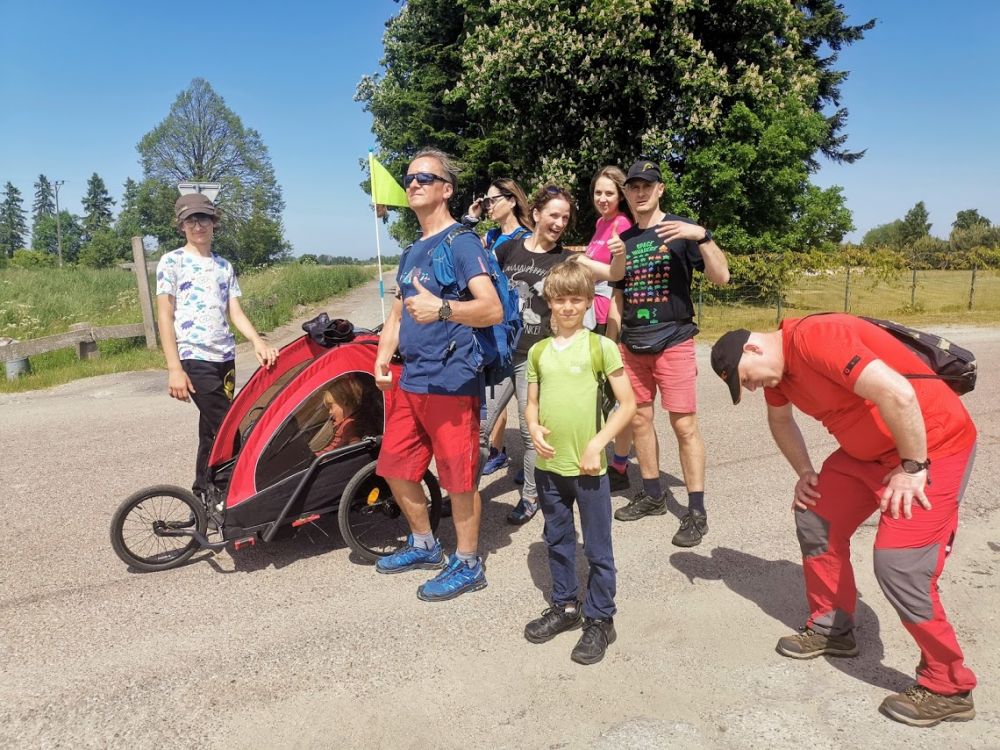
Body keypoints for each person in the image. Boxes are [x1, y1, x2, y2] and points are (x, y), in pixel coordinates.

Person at [710, 315, 978, 727]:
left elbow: (899, 394)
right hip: (867, 455)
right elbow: (780, 421)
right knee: (815, 516)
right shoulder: (779, 376)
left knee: (899, 564)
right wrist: (805, 473)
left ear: (752, 348)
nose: (750, 388)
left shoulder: (815, 338)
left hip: (932, 446)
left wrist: (912, 465)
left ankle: (949, 684)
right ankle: (832, 626)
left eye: (746, 379)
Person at [373, 148, 503, 602]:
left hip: (452, 378)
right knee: (395, 466)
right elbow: (396, 313)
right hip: (412, 379)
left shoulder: (460, 242)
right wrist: (383, 356)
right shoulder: (410, 252)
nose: (414, 184)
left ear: (446, 190)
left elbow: (492, 308)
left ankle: (468, 563)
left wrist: (443, 308)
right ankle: (425, 544)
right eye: (410, 178)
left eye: (425, 178)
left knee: (458, 477)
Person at [605, 158, 729, 547]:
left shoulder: (680, 230)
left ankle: (696, 511)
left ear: (660, 189)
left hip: (673, 339)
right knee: (640, 420)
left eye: (647, 186)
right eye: (633, 187)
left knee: (684, 425)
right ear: (627, 194)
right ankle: (654, 494)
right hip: (633, 343)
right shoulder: (624, 242)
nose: (639, 192)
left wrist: (703, 236)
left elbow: (721, 277)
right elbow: (618, 293)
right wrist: (613, 340)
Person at [524, 260, 636, 665]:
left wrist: (599, 444)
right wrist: (533, 429)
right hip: (549, 469)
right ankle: (566, 606)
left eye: (576, 300)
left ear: (589, 302)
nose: (568, 307)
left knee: (599, 548)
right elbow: (532, 406)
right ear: (549, 303)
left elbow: (629, 404)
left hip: (590, 470)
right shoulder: (538, 352)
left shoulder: (600, 347)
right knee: (557, 540)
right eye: (560, 300)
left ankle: (601, 618)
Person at [496, 184, 624, 525]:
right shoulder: (508, 250)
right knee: (480, 426)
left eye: (565, 217)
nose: (559, 222)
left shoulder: (566, 258)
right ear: (536, 214)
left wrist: (620, 253)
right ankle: (464, 491)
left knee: (529, 429)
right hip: (499, 352)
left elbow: (613, 274)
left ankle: (530, 496)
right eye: (553, 214)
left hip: (531, 355)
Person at [156, 193, 278, 503]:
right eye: (191, 220)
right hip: (194, 358)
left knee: (211, 432)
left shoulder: (224, 267)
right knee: (231, 427)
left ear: (214, 223)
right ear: (181, 225)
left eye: (204, 218)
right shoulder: (172, 262)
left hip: (225, 358)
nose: (198, 225)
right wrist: (174, 369)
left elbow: (234, 312)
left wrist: (257, 341)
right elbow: (164, 315)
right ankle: (232, 489)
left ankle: (204, 494)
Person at [465, 178, 535, 476]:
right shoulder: (490, 236)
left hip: (523, 331)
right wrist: (470, 219)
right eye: (487, 200)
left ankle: (534, 466)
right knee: (494, 401)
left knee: (528, 405)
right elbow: (459, 249)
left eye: (493, 200)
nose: (489, 205)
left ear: (512, 200)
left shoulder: (527, 237)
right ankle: (497, 451)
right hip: (494, 332)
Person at [585, 166, 634, 492]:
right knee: (600, 392)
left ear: (620, 196)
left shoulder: (622, 225)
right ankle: (605, 456)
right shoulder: (601, 223)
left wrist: (582, 264)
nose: (602, 199)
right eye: (598, 193)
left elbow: (621, 275)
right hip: (593, 316)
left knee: (618, 394)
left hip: (611, 318)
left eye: (609, 193)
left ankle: (619, 465)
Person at [310, 376, 366, 454]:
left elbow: (355, 444)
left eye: (331, 407)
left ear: (344, 401)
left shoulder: (350, 425)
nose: (330, 412)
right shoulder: (343, 423)